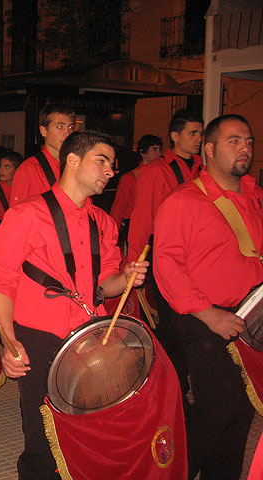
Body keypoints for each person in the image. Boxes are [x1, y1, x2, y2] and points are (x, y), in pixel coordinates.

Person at [0, 130, 147, 479]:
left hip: (90, 335)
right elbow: (1, 282)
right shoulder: (26, 214)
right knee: (42, 429)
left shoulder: (102, 223)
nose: (110, 171)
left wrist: (127, 276)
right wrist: (8, 342)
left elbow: (106, 284)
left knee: (90, 420)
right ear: (72, 161)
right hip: (40, 335)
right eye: (101, 161)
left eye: (112, 165)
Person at [154, 114, 259, 479]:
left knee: (242, 410)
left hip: (252, 316)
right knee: (217, 408)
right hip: (204, 317)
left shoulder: (254, 196)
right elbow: (166, 265)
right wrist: (209, 313)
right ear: (209, 149)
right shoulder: (184, 200)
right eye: (234, 141)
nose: (244, 148)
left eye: (248, 141)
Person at [127, 109, 203, 398]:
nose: (197, 139)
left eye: (200, 133)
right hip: (166, 255)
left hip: (199, 257)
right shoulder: (157, 170)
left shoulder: (203, 169)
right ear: (175, 136)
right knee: (172, 322)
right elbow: (142, 215)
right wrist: (135, 259)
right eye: (192, 133)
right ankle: (174, 386)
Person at [11, 104, 76, 205]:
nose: (67, 133)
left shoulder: (76, 166)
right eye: (60, 127)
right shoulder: (29, 170)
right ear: (43, 131)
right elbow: (17, 215)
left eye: (70, 127)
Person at [109, 134, 162, 243]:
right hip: (133, 224)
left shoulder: (160, 175)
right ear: (143, 152)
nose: (158, 154)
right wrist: (112, 234)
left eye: (159, 149)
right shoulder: (129, 178)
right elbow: (119, 207)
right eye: (154, 149)